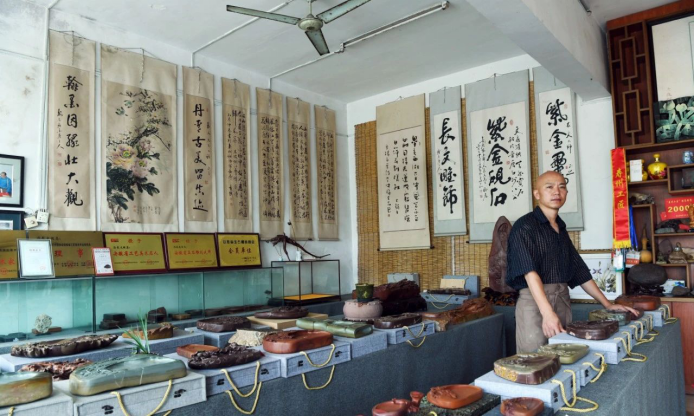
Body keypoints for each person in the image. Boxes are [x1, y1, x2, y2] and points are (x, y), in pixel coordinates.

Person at [506, 171, 637, 353]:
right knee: (535, 358)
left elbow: (579, 271)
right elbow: (530, 273)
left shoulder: (560, 227)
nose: (556, 192)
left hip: (562, 300)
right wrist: (547, 313)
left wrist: (607, 304)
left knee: (563, 356)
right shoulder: (524, 226)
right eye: (549, 187)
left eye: (562, 187)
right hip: (534, 304)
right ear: (537, 194)